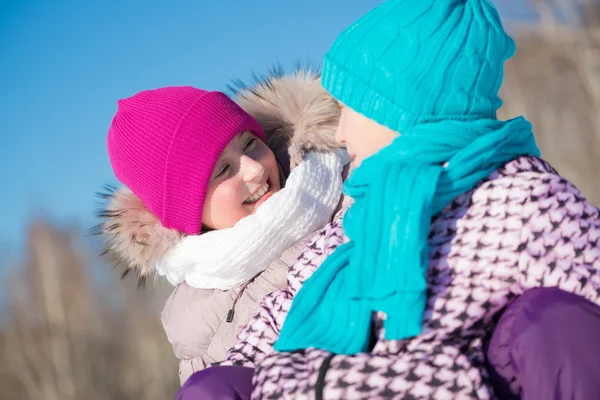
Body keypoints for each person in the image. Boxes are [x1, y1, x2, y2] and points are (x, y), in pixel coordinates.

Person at [180, 1, 600, 398]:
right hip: (330, 384)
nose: (340, 133)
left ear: (402, 108)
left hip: (449, 384)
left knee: (555, 320)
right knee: (213, 387)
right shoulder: (353, 213)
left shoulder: (520, 199)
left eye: (349, 107)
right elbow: (274, 319)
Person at [98, 70, 351, 385]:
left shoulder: (349, 188)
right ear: (186, 212)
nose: (255, 169)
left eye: (250, 144)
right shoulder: (195, 326)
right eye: (223, 169)